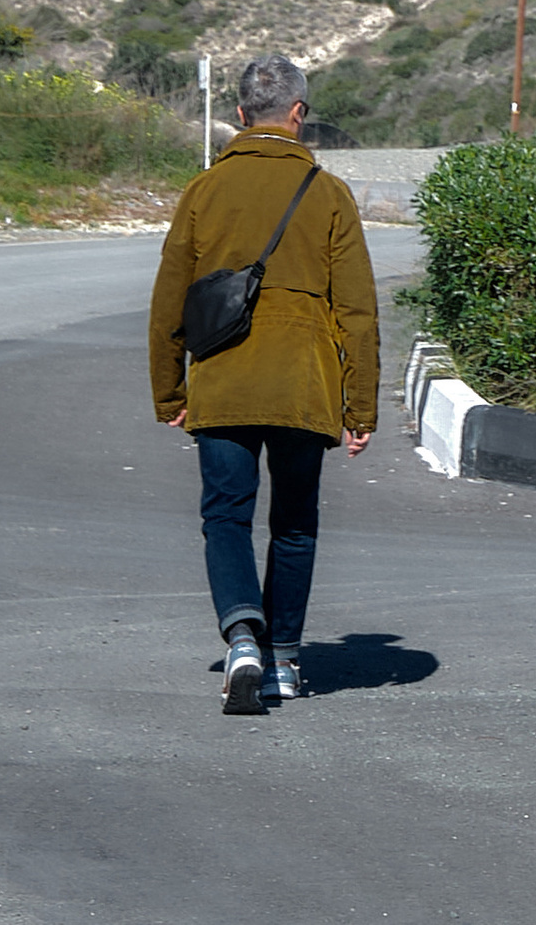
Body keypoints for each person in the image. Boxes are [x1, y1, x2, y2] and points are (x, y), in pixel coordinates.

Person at [147, 55, 379, 714]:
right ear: (299, 114)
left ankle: (242, 635)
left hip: (222, 380)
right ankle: (282, 660)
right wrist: (359, 405)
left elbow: (169, 301)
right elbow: (357, 309)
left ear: (243, 116)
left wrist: (171, 390)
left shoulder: (204, 190)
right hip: (306, 384)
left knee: (226, 515)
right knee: (295, 522)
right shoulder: (329, 194)